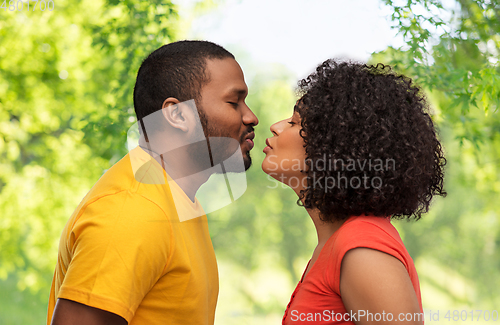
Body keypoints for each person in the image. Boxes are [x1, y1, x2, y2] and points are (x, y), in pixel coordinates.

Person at [47, 40, 258, 325]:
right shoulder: (133, 211)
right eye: (234, 102)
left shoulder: (178, 200)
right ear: (178, 114)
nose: (251, 116)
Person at [262, 60, 446, 324]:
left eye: (294, 122)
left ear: (334, 147)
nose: (276, 126)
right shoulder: (338, 243)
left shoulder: (361, 246)